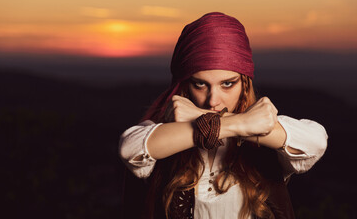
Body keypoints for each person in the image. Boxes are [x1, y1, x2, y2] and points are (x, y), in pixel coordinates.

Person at [119, 12, 328, 219]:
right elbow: (130, 149)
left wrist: (205, 119)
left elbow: (315, 142)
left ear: (244, 84)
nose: (212, 101)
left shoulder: (264, 139)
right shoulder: (163, 134)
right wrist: (239, 124)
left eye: (227, 84)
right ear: (184, 85)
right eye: (200, 84)